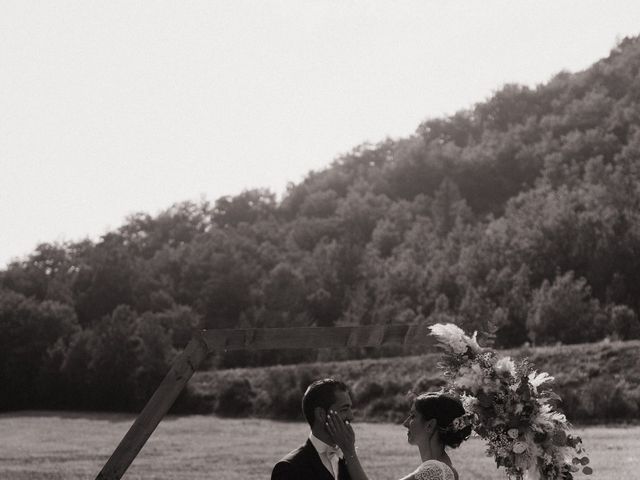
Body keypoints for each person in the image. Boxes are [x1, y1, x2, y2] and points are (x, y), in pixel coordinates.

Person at [327, 392, 471, 480]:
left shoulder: (435, 470)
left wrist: (349, 450)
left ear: (430, 425)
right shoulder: (447, 469)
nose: (405, 423)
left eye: (413, 416)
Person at [271, 378, 355, 480]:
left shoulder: (348, 461)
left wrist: (350, 453)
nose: (351, 416)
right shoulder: (289, 468)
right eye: (344, 409)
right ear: (321, 414)